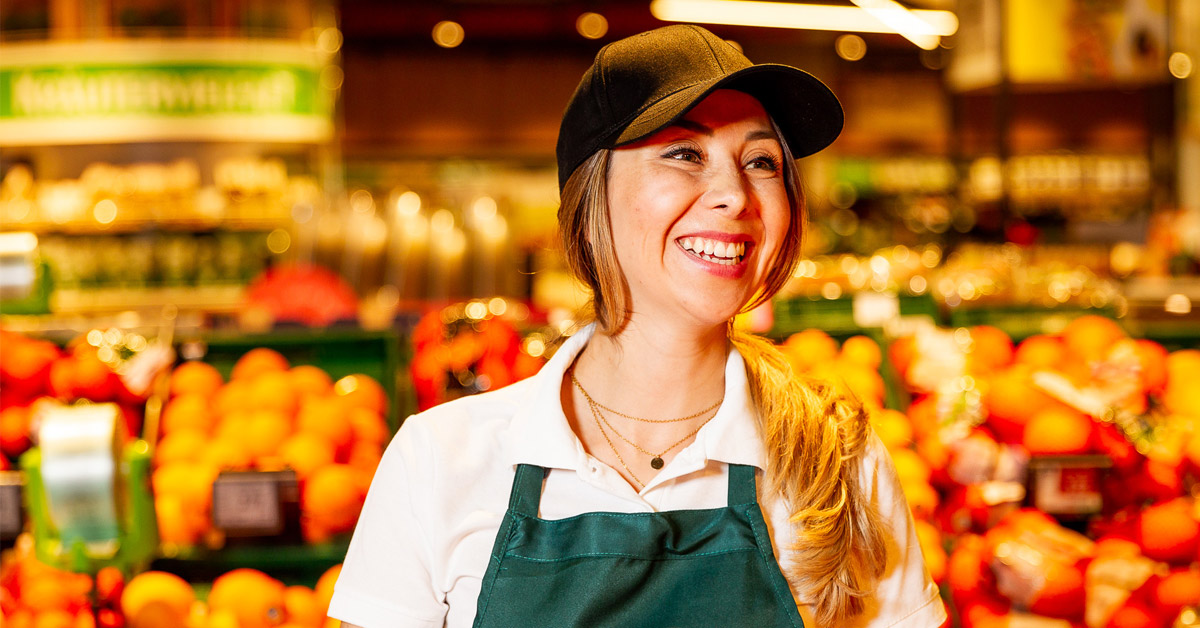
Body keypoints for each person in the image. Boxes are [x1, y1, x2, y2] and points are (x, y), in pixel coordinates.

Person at [329, 24, 946, 628]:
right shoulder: (441, 458)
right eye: (685, 153)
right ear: (591, 191)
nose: (734, 194)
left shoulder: (838, 463)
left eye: (761, 161)